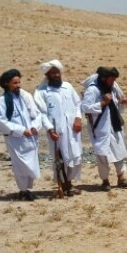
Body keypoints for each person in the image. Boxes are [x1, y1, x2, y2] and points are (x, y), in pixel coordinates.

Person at [33, 59, 83, 196]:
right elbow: (41, 113)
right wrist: (50, 129)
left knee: (74, 156)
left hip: (73, 129)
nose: (56, 75)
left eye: (57, 72)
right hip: (56, 131)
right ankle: (62, 185)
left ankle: (69, 184)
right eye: (52, 73)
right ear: (47, 75)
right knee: (59, 158)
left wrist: (78, 118)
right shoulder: (42, 92)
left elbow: (78, 104)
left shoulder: (67, 87)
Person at [0, 69, 43, 201]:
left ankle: (27, 190)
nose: (18, 85)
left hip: (30, 137)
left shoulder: (25, 96)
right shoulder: (1, 101)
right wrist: (21, 130)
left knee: (31, 163)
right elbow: (2, 122)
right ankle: (23, 191)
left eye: (19, 82)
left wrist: (34, 127)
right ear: (6, 84)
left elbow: (37, 114)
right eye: (14, 83)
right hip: (15, 139)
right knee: (19, 164)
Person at [81, 66, 127, 191]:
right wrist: (102, 103)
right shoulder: (93, 90)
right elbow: (85, 107)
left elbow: (116, 105)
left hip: (114, 125)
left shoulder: (113, 88)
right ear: (103, 78)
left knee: (119, 151)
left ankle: (121, 177)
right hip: (100, 127)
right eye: (111, 79)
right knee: (102, 154)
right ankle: (105, 181)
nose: (113, 82)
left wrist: (122, 102)